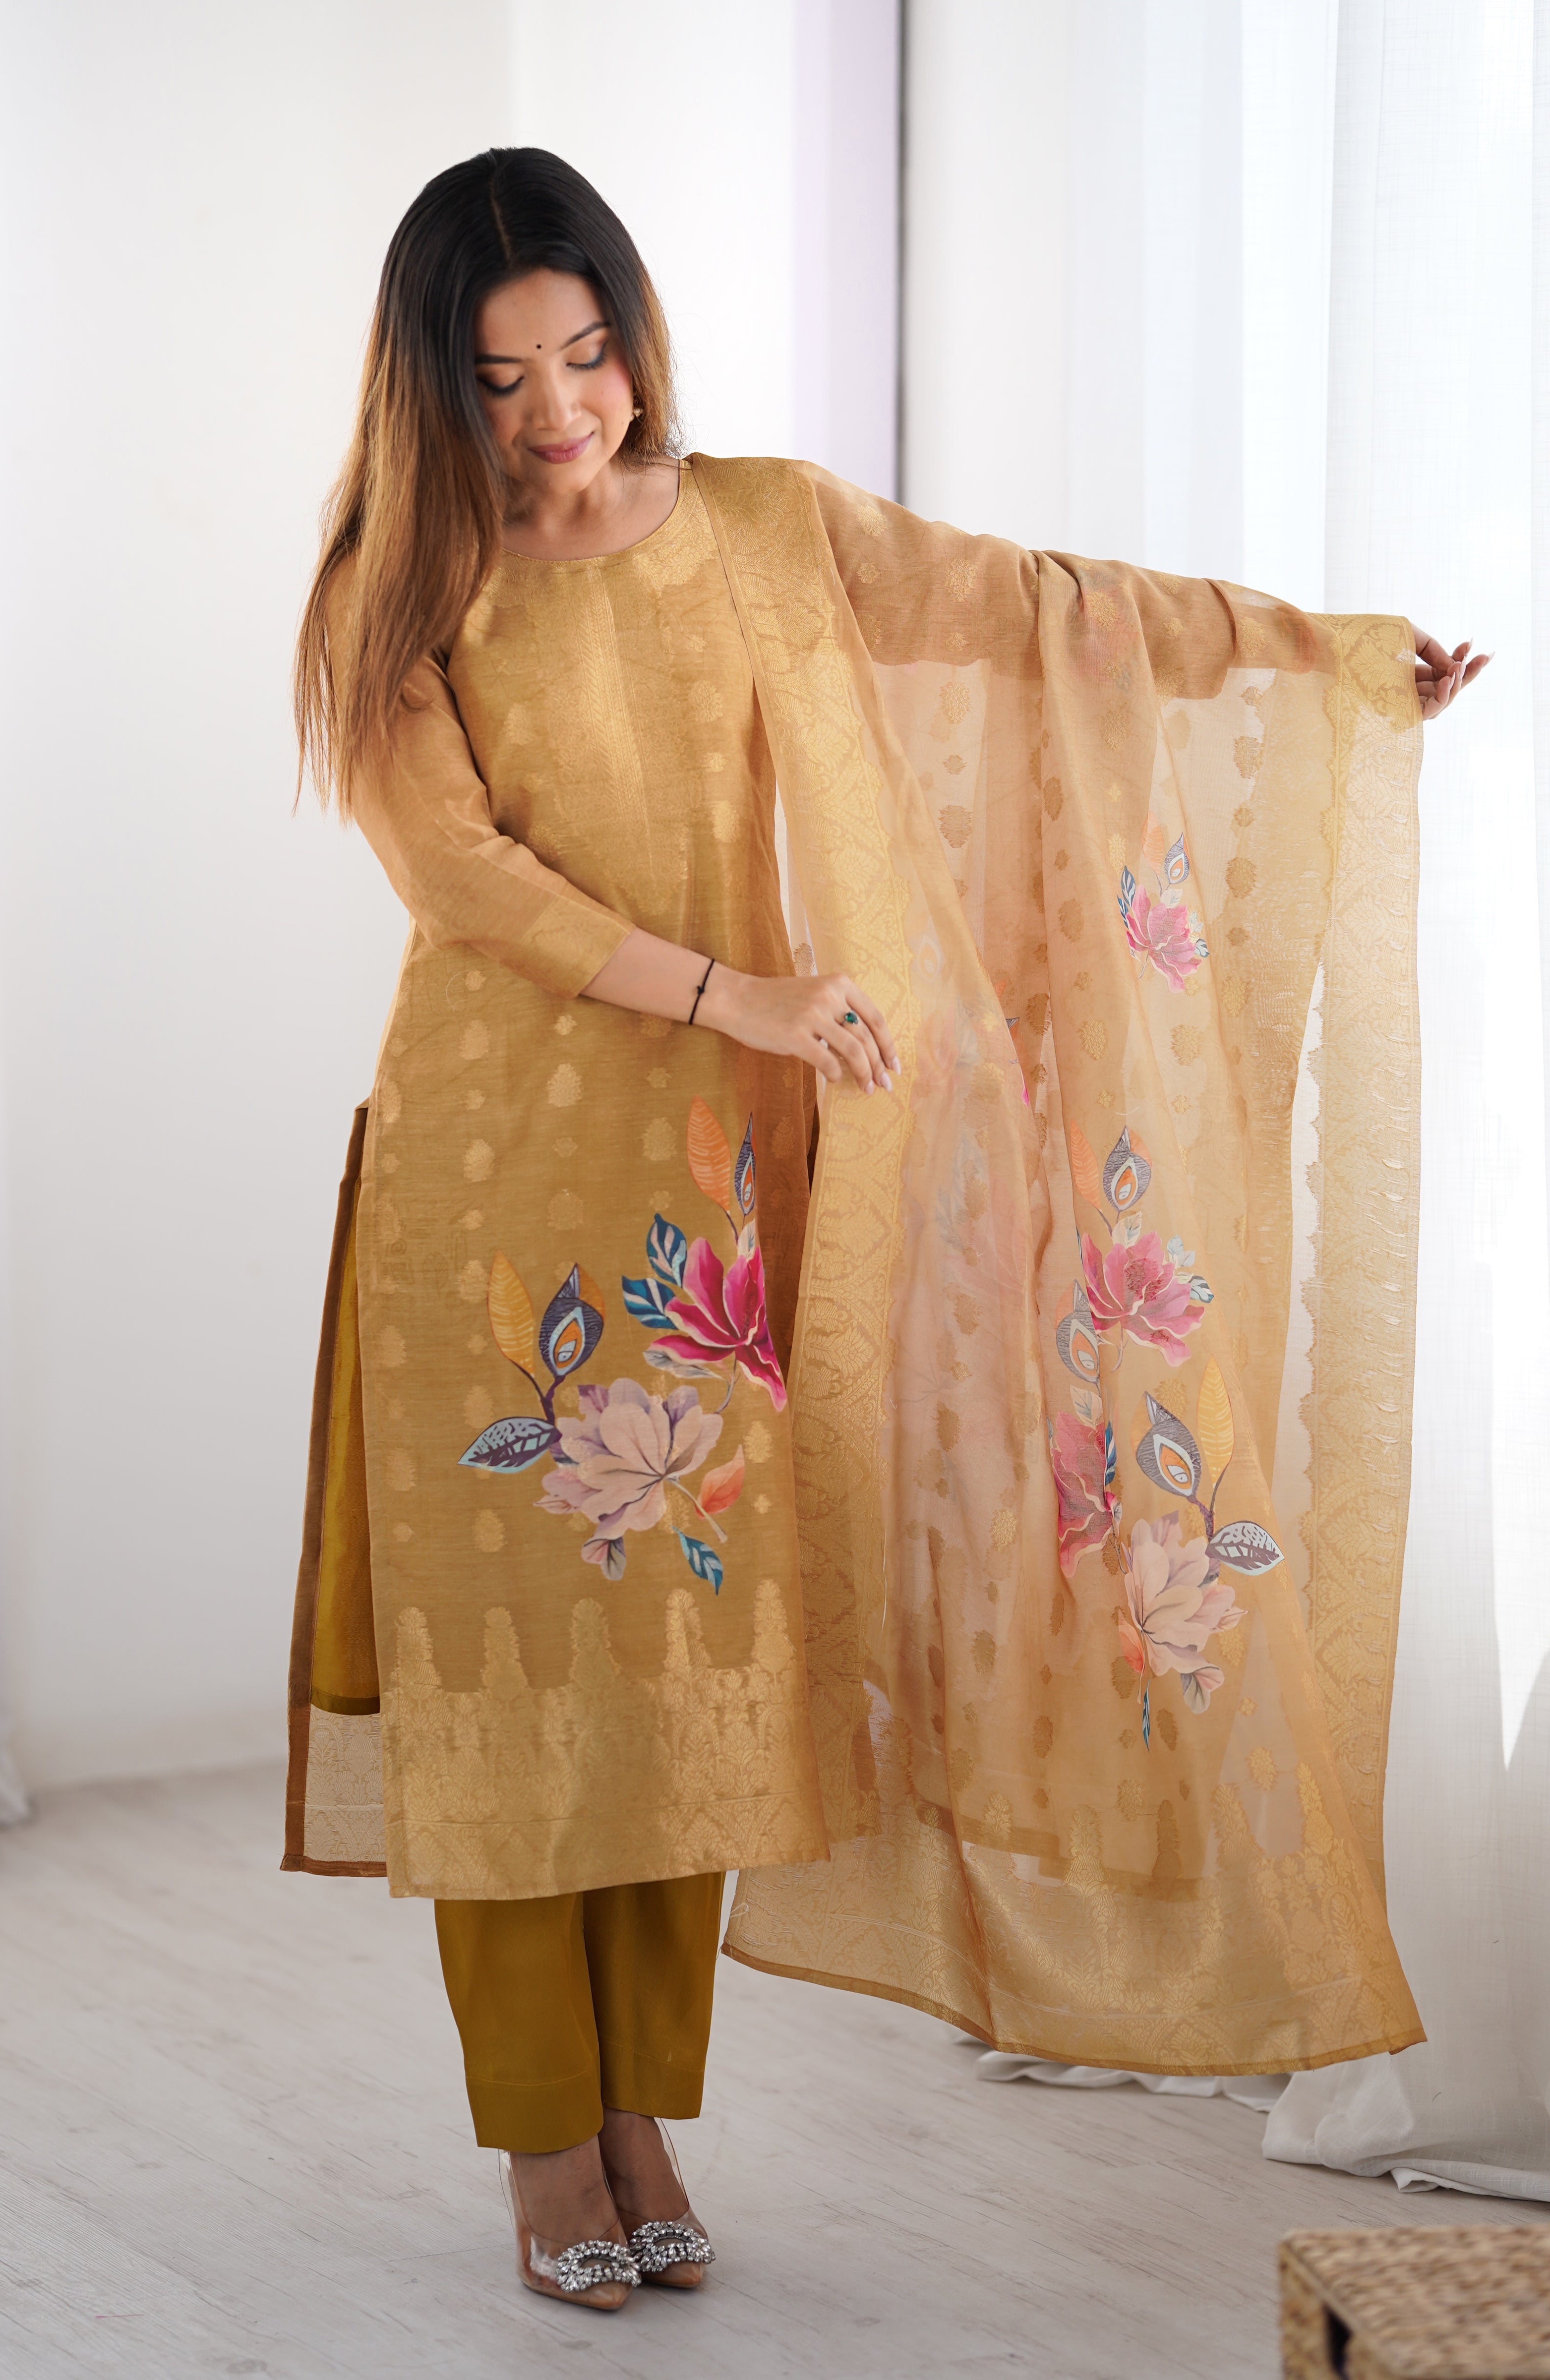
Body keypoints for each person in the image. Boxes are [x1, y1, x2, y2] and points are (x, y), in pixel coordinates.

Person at [286, 147, 1486, 2313]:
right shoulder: (404, 575)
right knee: (523, 1678)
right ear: (429, 393)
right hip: (496, 1173)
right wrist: (745, 990)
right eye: (502, 380)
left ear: (638, 336)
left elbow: (1039, 613)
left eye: (589, 355)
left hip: (724, 1182)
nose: (564, 413)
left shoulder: (758, 523)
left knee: (692, 1669)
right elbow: (460, 878)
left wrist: (1320, 661)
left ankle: (646, 2111)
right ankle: (546, 2145)